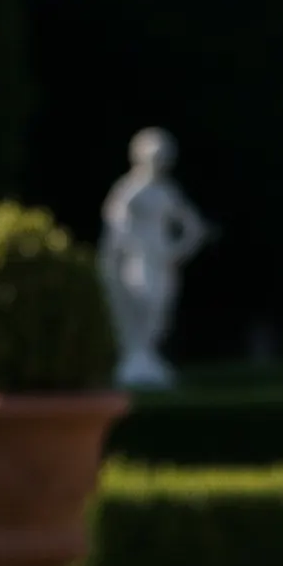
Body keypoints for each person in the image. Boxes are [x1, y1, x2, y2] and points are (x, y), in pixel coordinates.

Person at [99, 130, 214, 390]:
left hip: (160, 260)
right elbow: (117, 222)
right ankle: (136, 355)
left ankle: (145, 355)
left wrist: (177, 252)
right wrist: (133, 245)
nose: (159, 163)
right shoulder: (130, 189)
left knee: (161, 311)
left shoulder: (166, 192)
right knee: (143, 304)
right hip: (139, 259)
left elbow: (193, 226)